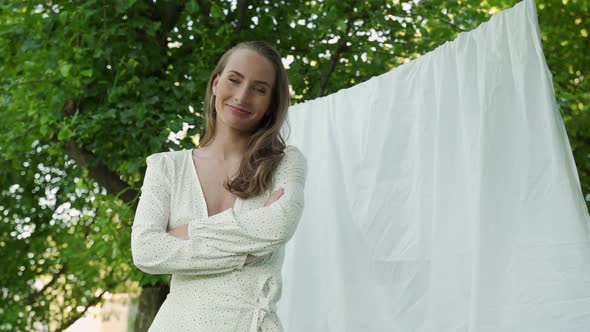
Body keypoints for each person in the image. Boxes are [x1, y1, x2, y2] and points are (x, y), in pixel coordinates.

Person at [130, 40, 308, 331]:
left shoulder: (285, 162)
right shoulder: (166, 167)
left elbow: (279, 224)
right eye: (234, 80)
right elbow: (146, 250)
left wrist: (186, 232)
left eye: (259, 89)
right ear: (215, 84)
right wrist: (248, 247)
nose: (242, 96)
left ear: (271, 104)